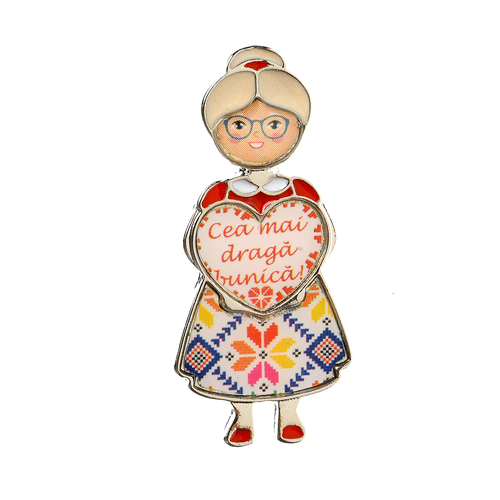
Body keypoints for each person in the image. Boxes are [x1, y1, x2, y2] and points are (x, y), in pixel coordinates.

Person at [175, 46, 350, 446]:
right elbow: (196, 244)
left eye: (274, 125)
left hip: (294, 288)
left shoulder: (300, 192)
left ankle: (289, 412)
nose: (257, 137)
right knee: (232, 353)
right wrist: (223, 280)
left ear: (297, 129)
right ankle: (243, 417)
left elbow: (324, 237)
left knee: (297, 348)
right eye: (239, 125)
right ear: (218, 130)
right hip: (228, 290)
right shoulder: (218, 196)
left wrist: (296, 276)